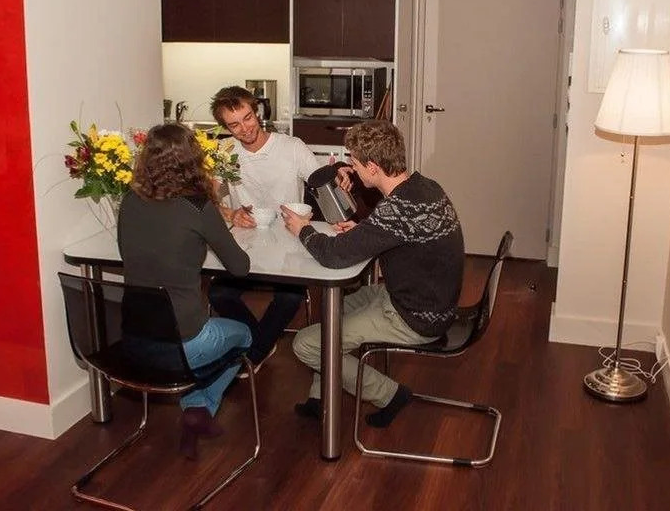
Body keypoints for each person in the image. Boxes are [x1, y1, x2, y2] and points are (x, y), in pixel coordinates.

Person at [281, 120, 465, 428]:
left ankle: (390, 395)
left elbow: (333, 255)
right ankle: (320, 396)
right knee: (332, 309)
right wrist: (364, 231)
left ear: (373, 167)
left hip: (415, 316)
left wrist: (303, 230)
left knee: (305, 344)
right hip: (422, 299)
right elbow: (400, 232)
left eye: (354, 162)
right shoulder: (423, 187)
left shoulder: (398, 208)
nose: (352, 169)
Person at [118, 123, 251, 459]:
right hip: (187, 344)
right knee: (246, 336)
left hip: (133, 340)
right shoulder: (198, 206)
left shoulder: (129, 201)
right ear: (193, 159)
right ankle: (200, 406)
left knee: (200, 330)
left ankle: (195, 406)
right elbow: (240, 267)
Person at [206, 86, 352, 374]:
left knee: (289, 297)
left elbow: (320, 180)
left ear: (256, 111)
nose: (245, 128)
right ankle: (260, 343)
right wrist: (231, 213)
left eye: (248, 118)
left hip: (289, 242)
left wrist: (338, 176)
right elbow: (208, 200)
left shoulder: (291, 147)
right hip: (246, 245)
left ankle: (253, 352)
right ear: (225, 127)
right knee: (218, 294)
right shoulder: (224, 152)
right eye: (234, 125)